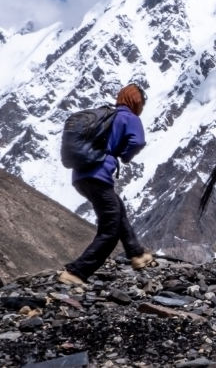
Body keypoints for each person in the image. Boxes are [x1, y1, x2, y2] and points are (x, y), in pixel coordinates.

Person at [59, 84, 155, 285]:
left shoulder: (107, 116)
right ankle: (76, 272)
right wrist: (124, 155)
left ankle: (136, 254)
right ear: (136, 101)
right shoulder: (129, 118)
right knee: (110, 229)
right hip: (99, 175)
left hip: (81, 176)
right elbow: (137, 141)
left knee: (118, 211)